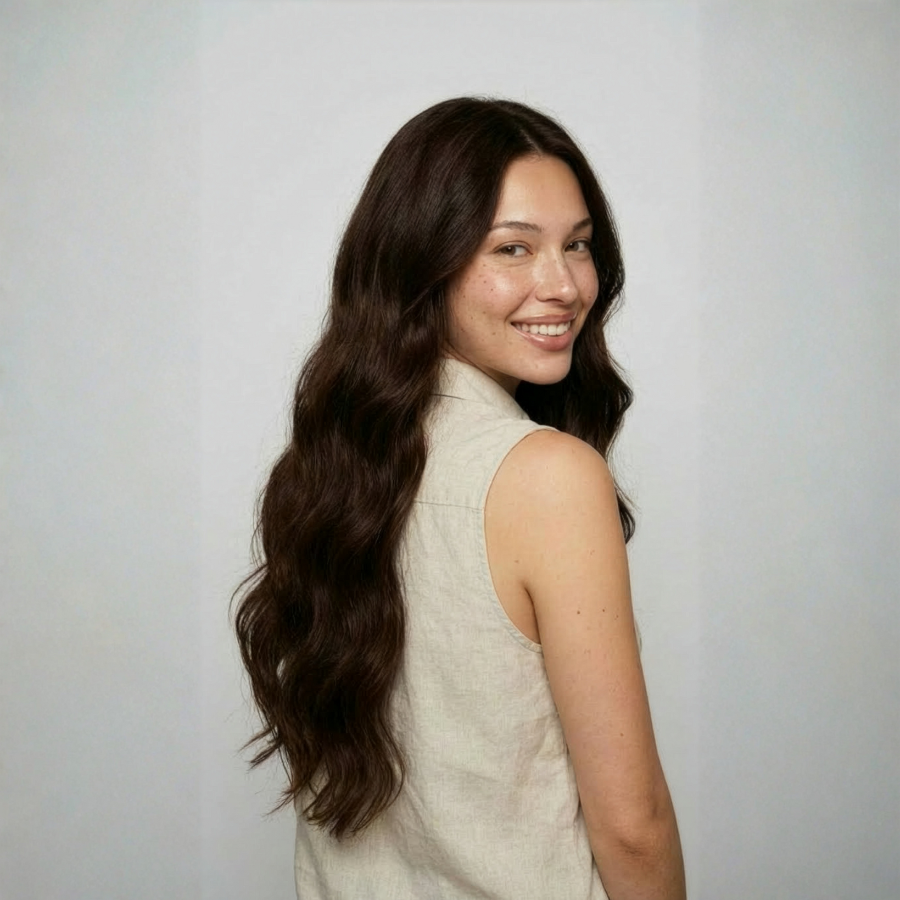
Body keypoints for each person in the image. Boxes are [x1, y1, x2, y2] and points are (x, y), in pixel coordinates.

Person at [234, 97, 686, 900]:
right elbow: (632, 825)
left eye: (578, 245)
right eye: (513, 247)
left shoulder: (326, 470)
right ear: (423, 264)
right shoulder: (549, 477)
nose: (563, 285)